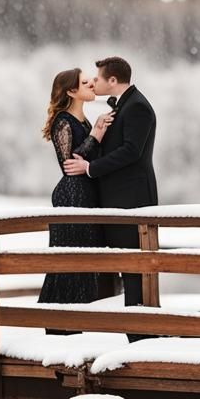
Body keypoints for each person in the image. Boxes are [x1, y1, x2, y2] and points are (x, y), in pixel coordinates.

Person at [62, 56, 158, 308]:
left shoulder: (137, 106)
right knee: (125, 264)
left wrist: (90, 168)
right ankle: (134, 326)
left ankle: (139, 329)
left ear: (112, 80)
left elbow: (131, 151)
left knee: (133, 266)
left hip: (131, 199)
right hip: (118, 199)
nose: (94, 82)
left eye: (97, 78)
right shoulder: (122, 106)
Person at [36, 68, 113, 320]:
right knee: (68, 260)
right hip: (71, 196)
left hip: (86, 194)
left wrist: (96, 132)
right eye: (84, 82)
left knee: (85, 261)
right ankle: (54, 320)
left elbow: (86, 158)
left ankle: (77, 320)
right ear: (71, 91)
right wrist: (96, 135)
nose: (92, 83)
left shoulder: (84, 121)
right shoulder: (63, 121)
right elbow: (70, 163)